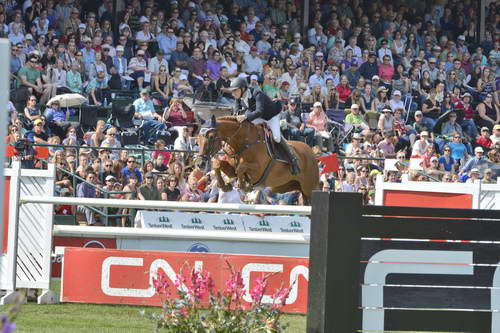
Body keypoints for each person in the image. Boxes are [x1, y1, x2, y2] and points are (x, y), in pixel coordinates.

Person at [229, 77, 300, 175]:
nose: (233, 94)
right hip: (258, 116)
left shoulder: (256, 93)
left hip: (271, 115)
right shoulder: (238, 97)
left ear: (243, 88)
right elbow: (236, 111)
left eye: (235, 91)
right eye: (232, 91)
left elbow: (259, 111)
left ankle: (293, 160)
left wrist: (245, 116)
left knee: (276, 138)